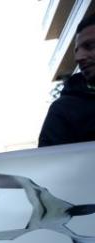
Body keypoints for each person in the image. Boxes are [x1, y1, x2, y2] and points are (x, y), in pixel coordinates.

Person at [39, 13, 95, 147]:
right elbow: (52, 158)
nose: (78, 57)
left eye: (89, 46)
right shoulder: (63, 110)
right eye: (76, 50)